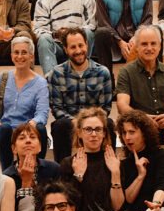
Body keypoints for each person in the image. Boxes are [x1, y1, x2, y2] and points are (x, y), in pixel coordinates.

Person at [47, 27, 114, 163]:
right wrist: (75, 121)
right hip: (69, 123)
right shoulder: (56, 73)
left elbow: (105, 108)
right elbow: (56, 107)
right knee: (59, 125)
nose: (78, 51)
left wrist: (89, 123)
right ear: (65, 49)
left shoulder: (102, 72)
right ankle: (62, 171)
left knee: (109, 123)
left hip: (95, 122)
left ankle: (107, 167)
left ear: (87, 45)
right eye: (73, 47)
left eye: (80, 45)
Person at [115, 25, 164, 139]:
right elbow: (122, 105)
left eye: (153, 43)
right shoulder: (126, 72)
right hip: (140, 127)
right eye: (144, 44)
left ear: (160, 46)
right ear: (137, 47)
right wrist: (143, 118)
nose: (149, 48)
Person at [0, 36, 49, 170]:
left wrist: (33, 122)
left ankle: (38, 169)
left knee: (41, 128)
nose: (20, 56)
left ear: (32, 57)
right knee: (3, 128)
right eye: (16, 52)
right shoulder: (4, 77)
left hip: (28, 129)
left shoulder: (40, 83)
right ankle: (7, 172)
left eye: (24, 52)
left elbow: (43, 113)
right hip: (7, 130)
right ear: (11, 56)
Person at [33, 0, 97, 75]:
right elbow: (39, 30)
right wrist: (55, 34)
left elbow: (91, 25)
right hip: (58, 45)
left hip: (79, 44)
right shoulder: (43, 2)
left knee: (88, 32)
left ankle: (83, 74)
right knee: (43, 40)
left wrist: (70, 33)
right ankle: (52, 81)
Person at [2, 122, 61, 211]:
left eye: (32, 137)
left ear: (40, 147)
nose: (28, 141)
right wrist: (26, 182)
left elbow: (59, 199)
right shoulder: (7, 177)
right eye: (22, 138)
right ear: (14, 149)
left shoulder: (54, 169)